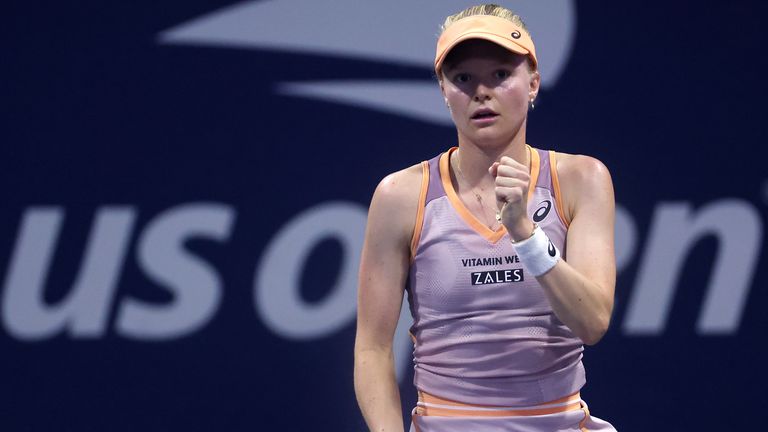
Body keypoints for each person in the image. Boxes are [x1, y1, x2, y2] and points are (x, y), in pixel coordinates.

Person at [354, 4, 617, 431]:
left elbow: (592, 322)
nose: (482, 92)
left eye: (500, 74)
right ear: (443, 90)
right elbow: (372, 349)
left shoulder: (582, 179)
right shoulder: (400, 196)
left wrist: (526, 234)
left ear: (533, 83)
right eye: (463, 79)